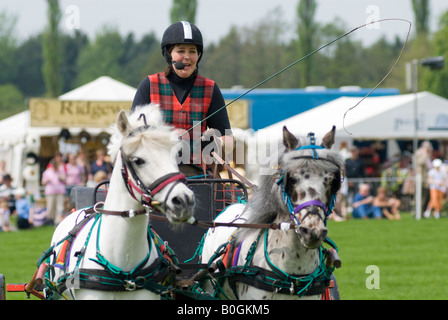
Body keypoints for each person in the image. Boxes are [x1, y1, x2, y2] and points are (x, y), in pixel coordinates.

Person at [131, 21, 233, 176]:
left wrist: (216, 143)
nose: (187, 57)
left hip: (200, 176)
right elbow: (133, 136)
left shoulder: (211, 89)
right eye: (181, 51)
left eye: (192, 51)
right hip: (156, 176)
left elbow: (229, 139)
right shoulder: (149, 86)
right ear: (168, 54)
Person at [42, 158, 66, 225]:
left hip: (60, 191)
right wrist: (47, 180)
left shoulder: (61, 171)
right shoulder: (47, 172)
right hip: (50, 192)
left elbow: (64, 179)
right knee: (50, 206)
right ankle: (50, 220)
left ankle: (58, 220)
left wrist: (61, 177)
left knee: (60, 206)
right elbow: (43, 182)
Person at [415, 141, 433, 213]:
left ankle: (423, 211)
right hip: (421, 178)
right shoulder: (419, 153)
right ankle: (419, 212)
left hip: (426, 178)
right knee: (421, 196)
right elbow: (420, 163)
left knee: (426, 196)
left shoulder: (427, 154)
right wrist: (425, 154)